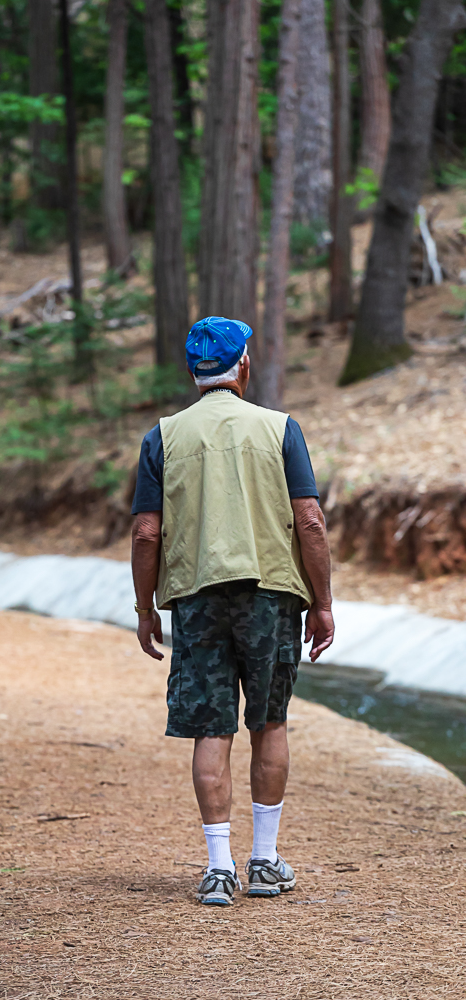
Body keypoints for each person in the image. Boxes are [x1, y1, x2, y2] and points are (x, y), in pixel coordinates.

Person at [130, 316, 334, 905]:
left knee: (210, 727)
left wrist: (145, 609)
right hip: (271, 595)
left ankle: (219, 868)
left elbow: (147, 533)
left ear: (193, 372)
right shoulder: (280, 429)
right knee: (269, 721)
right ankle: (265, 861)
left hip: (196, 600)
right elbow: (310, 522)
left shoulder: (162, 437)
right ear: (243, 365)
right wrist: (321, 602)